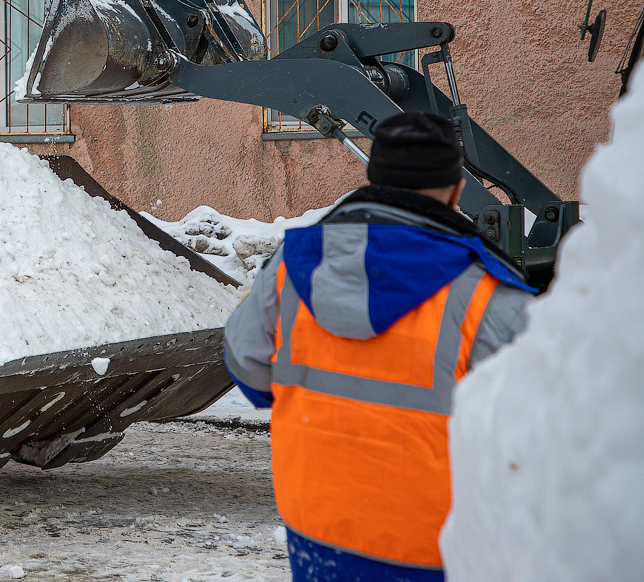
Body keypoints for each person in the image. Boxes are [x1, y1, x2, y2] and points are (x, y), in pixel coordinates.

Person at [223, 111, 535, 582]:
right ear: (455, 191)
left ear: (375, 178)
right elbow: (541, 437)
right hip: (435, 547)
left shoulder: (292, 264)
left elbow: (245, 363)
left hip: (316, 526)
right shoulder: (490, 297)